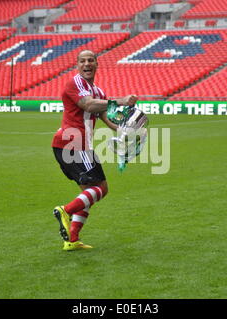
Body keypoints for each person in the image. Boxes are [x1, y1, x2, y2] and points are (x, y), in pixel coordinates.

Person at [51, 50, 137, 251]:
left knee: (88, 193)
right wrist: (121, 101)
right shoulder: (75, 83)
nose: (87, 64)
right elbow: (88, 105)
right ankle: (65, 210)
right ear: (77, 65)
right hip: (73, 143)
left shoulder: (98, 92)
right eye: (83, 61)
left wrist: (126, 130)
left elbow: (104, 117)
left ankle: (72, 240)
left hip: (79, 145)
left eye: (91, 60)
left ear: (97, 64)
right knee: (101, 188)